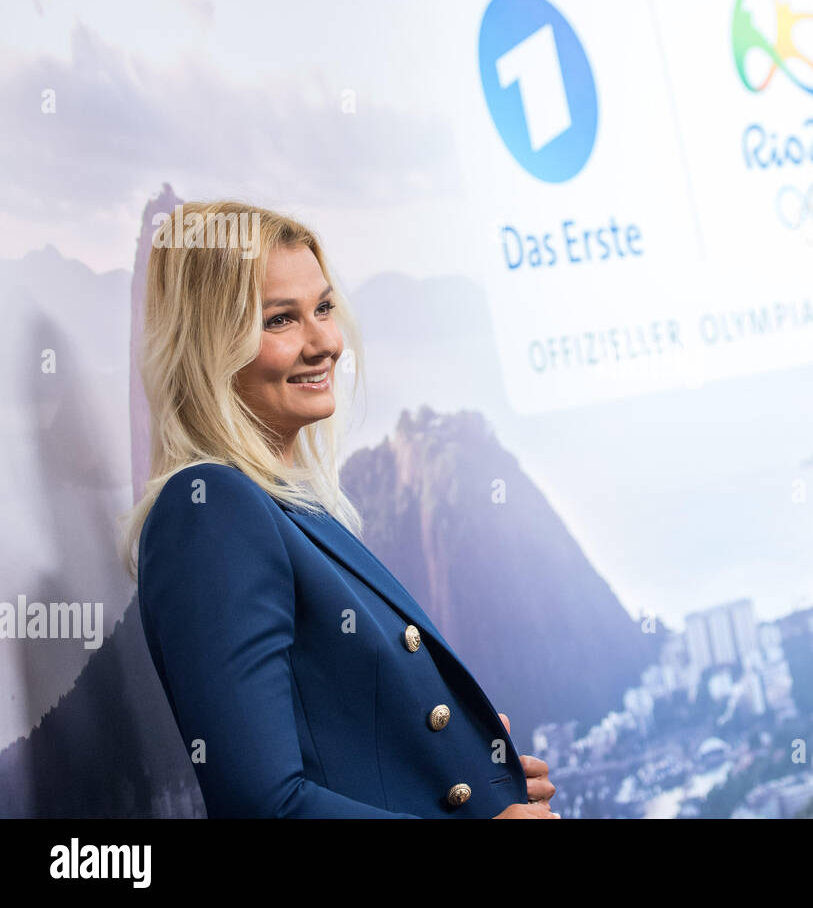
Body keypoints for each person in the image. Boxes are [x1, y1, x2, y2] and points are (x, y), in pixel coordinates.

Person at [119, 200, 557, 818]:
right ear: (211, 346)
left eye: (324, 307)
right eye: (280, 320)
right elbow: (263, 808)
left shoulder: (288, 503)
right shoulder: (208, 511)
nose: (324, 341)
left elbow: (340, 746)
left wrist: (468, 773)